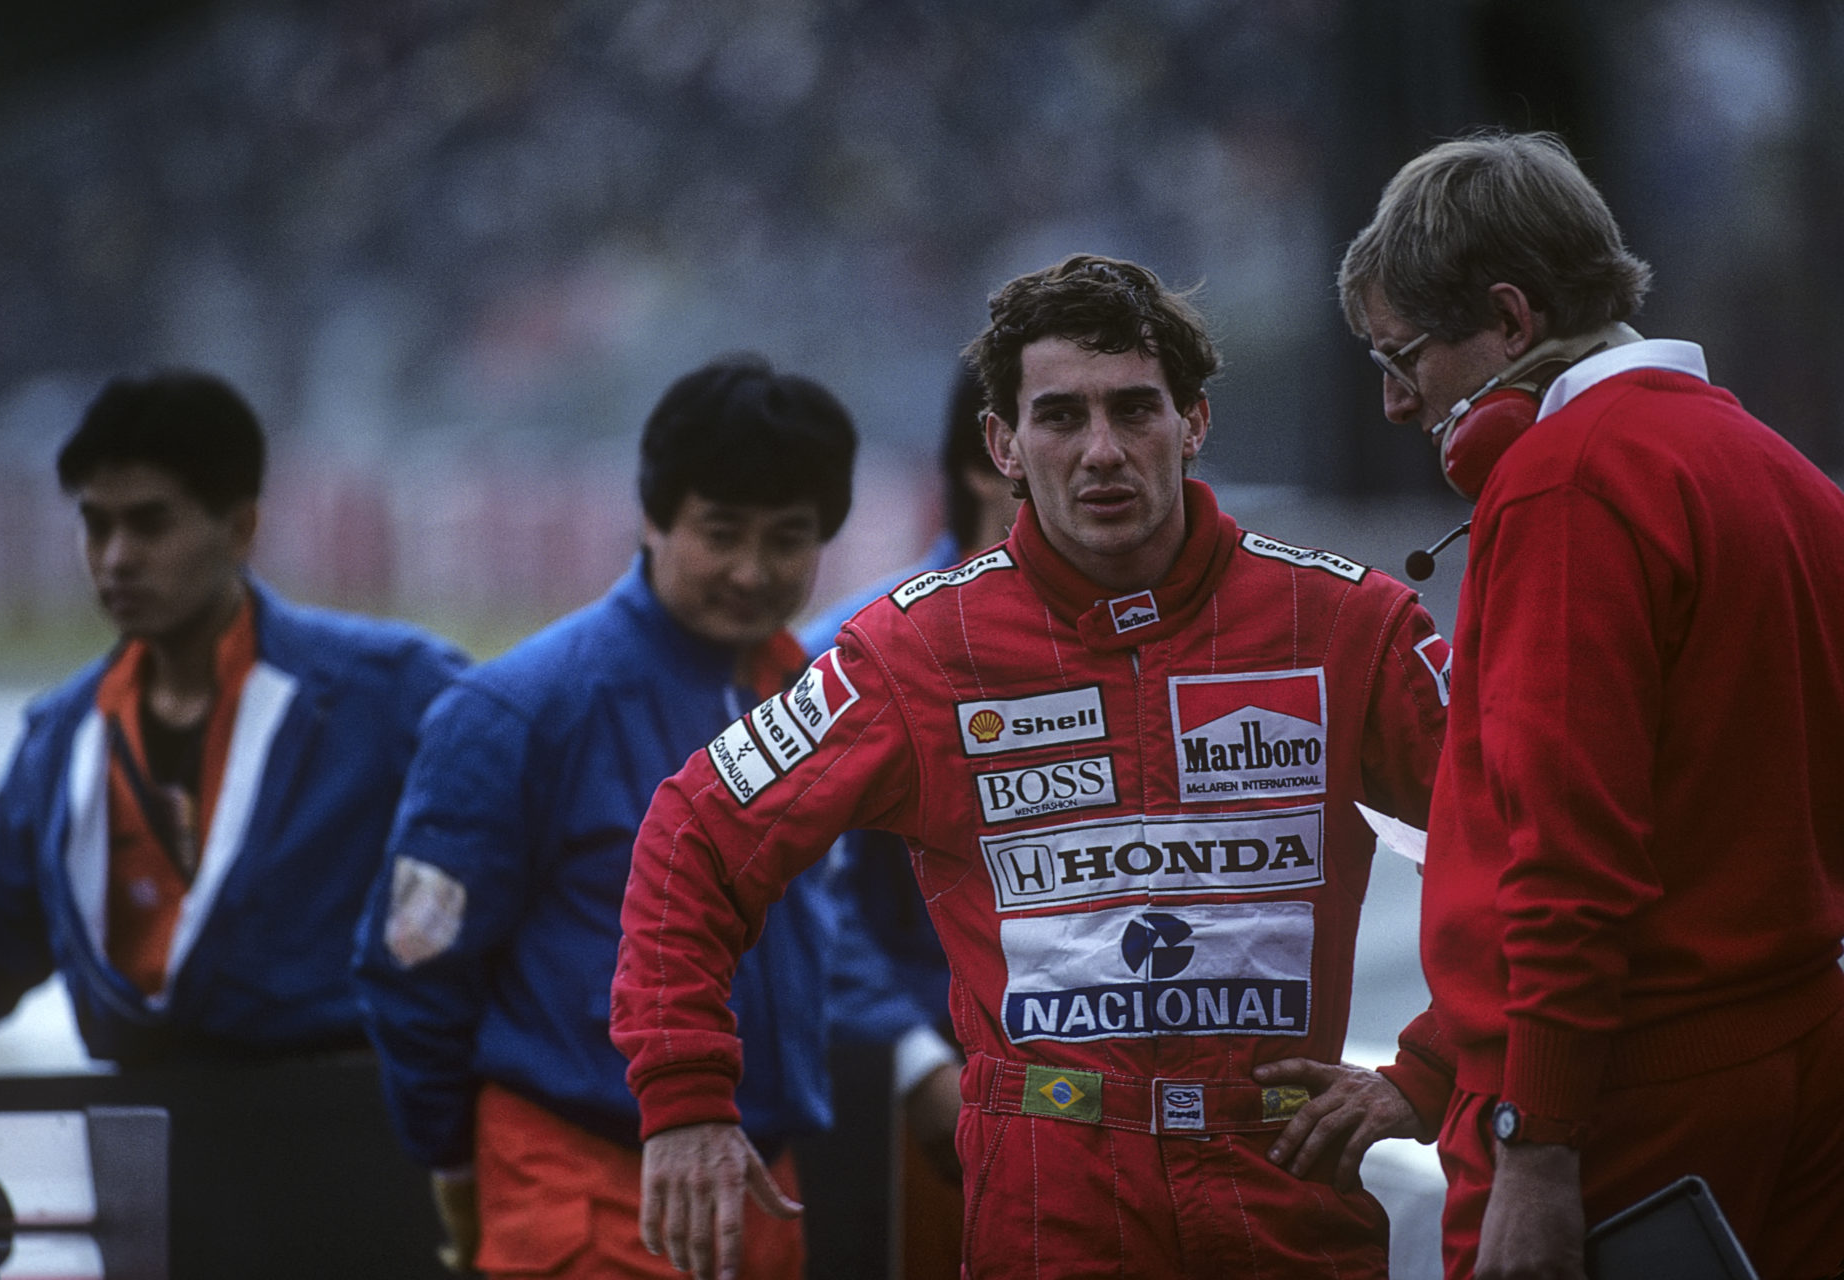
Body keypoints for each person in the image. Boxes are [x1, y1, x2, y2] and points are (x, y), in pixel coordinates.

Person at [610, 254, 1452, 1280]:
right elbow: (694, 832)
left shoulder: (1347, 624)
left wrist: (1429, 1067)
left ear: (1192, 424)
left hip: (1286, 1184)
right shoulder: (914, 650)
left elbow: (1520, 841)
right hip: (1051, 1199)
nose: (1101, 450)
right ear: (1003, 444)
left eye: (1134, 409)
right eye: (1060, 416)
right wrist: (687, 1099)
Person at [1276, 130, 1844, 1280]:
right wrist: (1435, 1065)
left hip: (1620, 1099)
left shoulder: (1567, 481)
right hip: (1798, 1062)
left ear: (1510, 318)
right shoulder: (1781, 471)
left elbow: (1569, 855)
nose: (1394, 403)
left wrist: (1533, 1141)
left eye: (1405, 357)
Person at [354, 355, 859, 1279]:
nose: (753, 570)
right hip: (579, 1195)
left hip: (763, 1196)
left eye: (788, 539)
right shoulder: (520, 709)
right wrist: (463, 1174)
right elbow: (413, 967)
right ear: (652, 517)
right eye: (721, 532)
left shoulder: (806, 700)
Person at [0, 369, 466, 1065]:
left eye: (150, 524)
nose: (116, 559)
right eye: (96, 526)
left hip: (345, 1135)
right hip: (141, 1146)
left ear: (240, 527)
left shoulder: (393, 694)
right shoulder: (60, 739)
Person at [799, 364, 1021, 1186]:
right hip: (906, 1122)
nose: (1099, 459)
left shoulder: (1144, 648)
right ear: (988, 454)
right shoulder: (855, 653)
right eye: (1062, 424)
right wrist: (912, 1059)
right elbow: (800, 895)